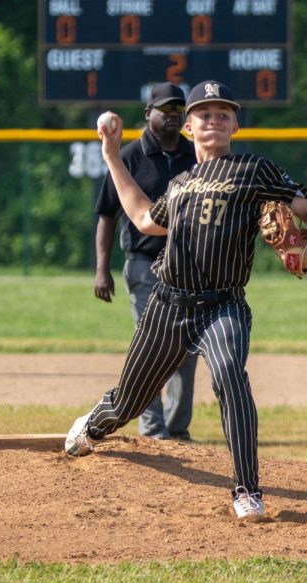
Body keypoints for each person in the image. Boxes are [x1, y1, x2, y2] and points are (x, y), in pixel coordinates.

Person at [66, 80, 307, 521]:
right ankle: (94, 425)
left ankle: (247, 490)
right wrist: (112, 155)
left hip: (223, 305)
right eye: (204, 114)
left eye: (223, 114)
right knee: (129, 401)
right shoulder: (181, 182)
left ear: (235, 126)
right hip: (168, 306)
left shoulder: (255, 170)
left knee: (230, 376)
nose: (214, 120)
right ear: (189, 127)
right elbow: (144, 219)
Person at [94, 82, 199, 441]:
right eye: (164, 110)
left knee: (186, 348)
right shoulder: (130, 157)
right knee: (153, 344)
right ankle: (153, 428)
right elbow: (107, 215)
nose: (172, 116)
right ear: (147, 114)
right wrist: (101, 269)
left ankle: (177, 428)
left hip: (189, 267)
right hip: (144, 264)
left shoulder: (197, 156)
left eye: (178, 110)